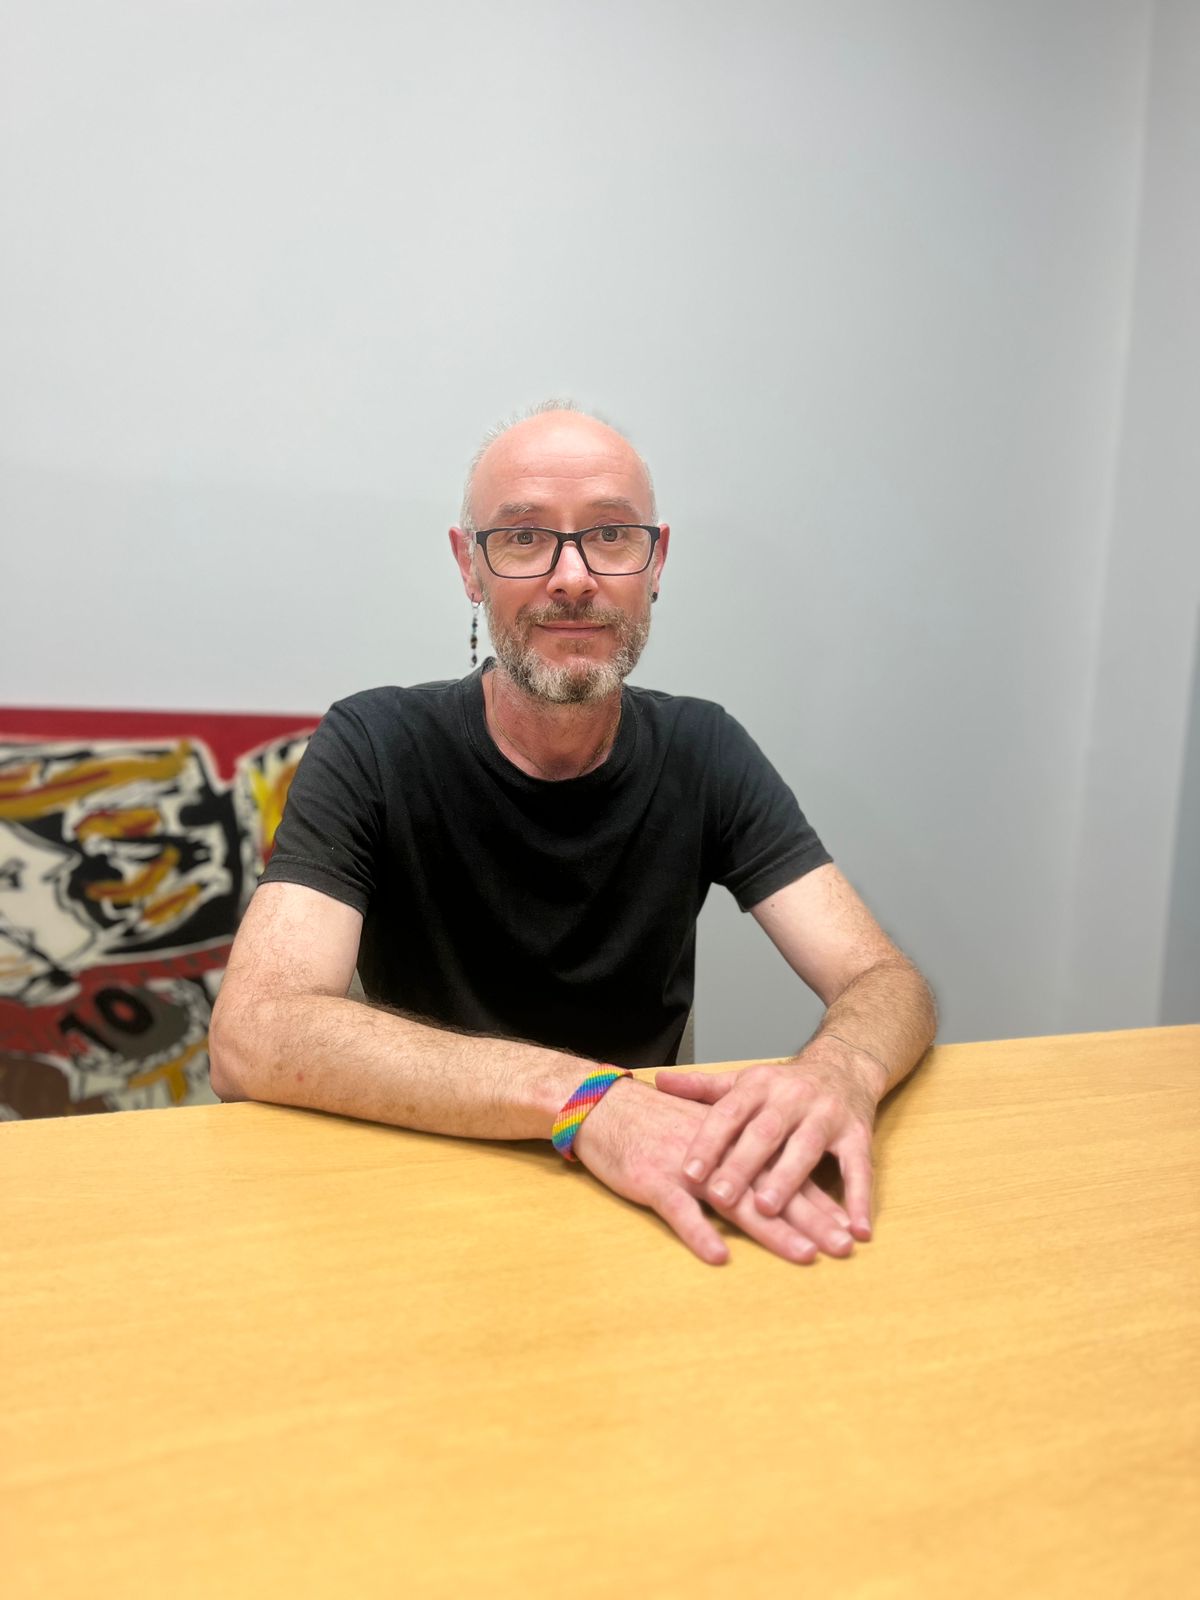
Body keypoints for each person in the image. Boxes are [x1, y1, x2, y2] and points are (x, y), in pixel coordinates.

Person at [210, 402, 936, 1267]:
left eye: (611, 535)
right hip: (420, 1196)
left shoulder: (705, 749)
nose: (572, 577)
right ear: (469, 566)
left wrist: (841, 1069)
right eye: (523, 538)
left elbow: (884, 979)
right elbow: (252, 1033)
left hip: (646, 1212)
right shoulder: (374, 744)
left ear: (655, 562)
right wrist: (587, 1099)